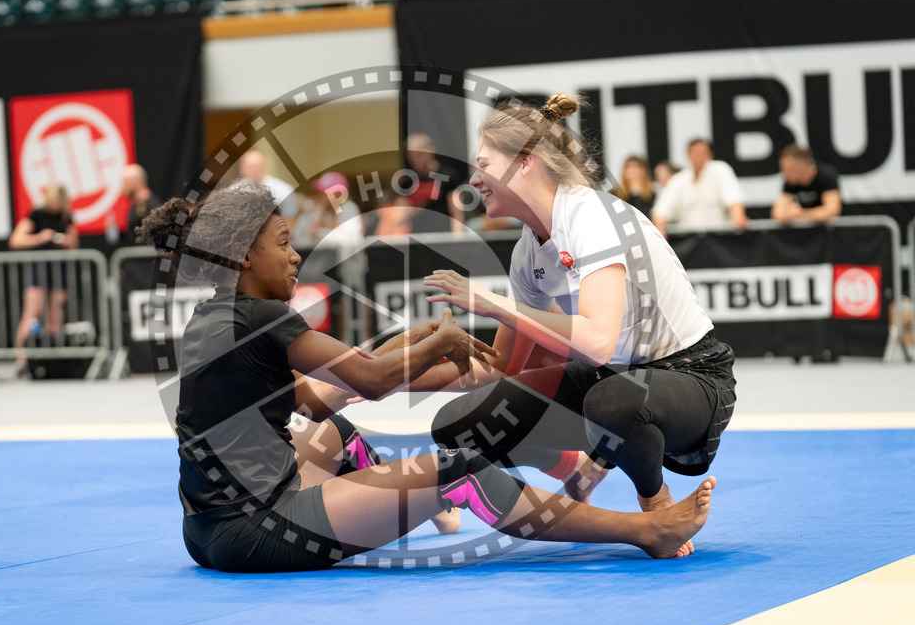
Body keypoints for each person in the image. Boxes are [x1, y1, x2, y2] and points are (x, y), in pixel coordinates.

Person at [136, 184, 715, 573]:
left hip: (204, 533)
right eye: (284, 244)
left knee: (333, 432)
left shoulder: (212, 317)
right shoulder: (264, 317)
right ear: (241, 255)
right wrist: (437, 342)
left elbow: (313, 403)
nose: (295, 257)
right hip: (260, 532)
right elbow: (369, 382)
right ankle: (642, 531)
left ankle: (421, 506)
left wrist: (409, 347)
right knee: (460, 470)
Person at [411, 93, 735, 558]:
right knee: (457, 426)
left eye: (483, 164)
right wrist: (384, 377)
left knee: (612, 400)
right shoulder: (527, 251)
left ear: (524, 163)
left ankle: (655, 502)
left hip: (691, 378)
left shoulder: (591, 216)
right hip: (613, 379)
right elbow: (501, 367)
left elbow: (598, 342)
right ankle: (573, 467)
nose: (475, 179)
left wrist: (496, 305)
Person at [9, 184, 79, 378]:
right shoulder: (37, 214)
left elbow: (73, 243)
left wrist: (59, 239)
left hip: (58, 269)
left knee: (56, 315)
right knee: (32, 313)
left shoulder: (65, 217)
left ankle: (53, 359)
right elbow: (16, 240)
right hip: (38, 268)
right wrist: (41, 237)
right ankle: (22, 360)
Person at [650, 139, 749, 237]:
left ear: (710, 154)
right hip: (689, 240)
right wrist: (659, 230)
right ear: (688, 155)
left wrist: (738, 217)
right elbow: (661, 210)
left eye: (702, 153)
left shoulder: (721, 170)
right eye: (694, 153)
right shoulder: (679, 179)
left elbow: (733, 198)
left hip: (719, 238)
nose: (698, 156)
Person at [398, 133, 467, 235]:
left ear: (430, 151)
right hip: (417, 236)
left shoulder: (448, 176)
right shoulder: (408, 180)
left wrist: (458, 238)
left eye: (418, 156)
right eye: (411, 157)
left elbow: (457, 214)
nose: (415, 161)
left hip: (442, 235)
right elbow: (400, 216)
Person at [771, 144, 842, 224]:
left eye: (788, 169)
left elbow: (833, 210)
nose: (784, 173)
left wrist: (801, 214)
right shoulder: (790, 182)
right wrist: (788, 214)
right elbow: (777, 213)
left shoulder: (826, 176)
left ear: (801, 166)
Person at [290, 172, 363, 248]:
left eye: (326, 193)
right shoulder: (320, 209)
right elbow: (297, 236)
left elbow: (348, 239)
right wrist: (306, 213)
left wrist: (319, 232)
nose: (321, 196)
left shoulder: (349, 207)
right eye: (321, 193)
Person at [237, 149, 299, 225]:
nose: (255, 170)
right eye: (251, 167)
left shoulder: (284, 191)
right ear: (242, 168)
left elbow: (290, 221)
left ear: (265, 167)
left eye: (259, 166)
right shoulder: (231, 193)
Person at [123, 164, 163, 244]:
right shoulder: (137, 204)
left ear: (135, 181)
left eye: (125, 182)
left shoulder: (151, 205)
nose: (123, 186)